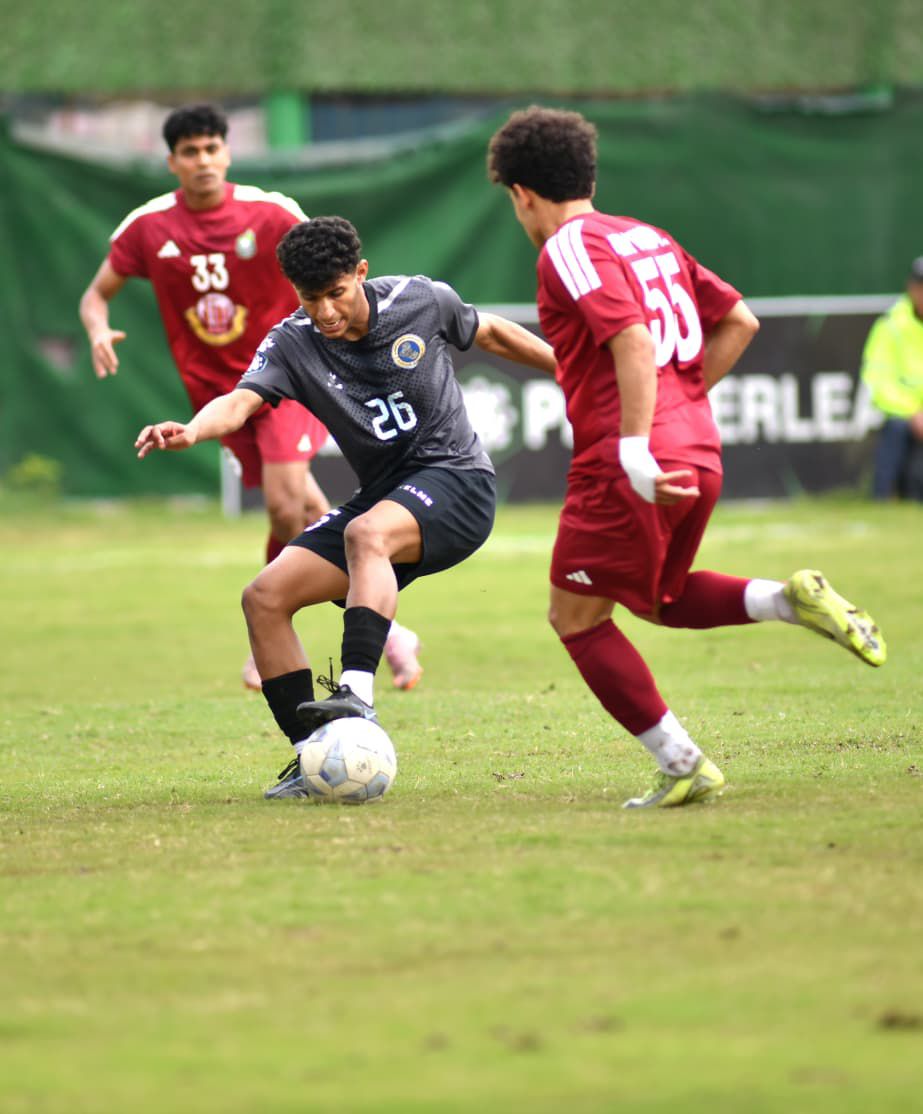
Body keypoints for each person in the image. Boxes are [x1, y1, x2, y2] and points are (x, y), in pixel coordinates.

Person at [487, 105, 887, 809]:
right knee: (661, 599)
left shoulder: (568, 246)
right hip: (697, 450)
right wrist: (680, 408)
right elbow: (739, 319)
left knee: (576, 619)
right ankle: (787, 600)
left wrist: (638, 446)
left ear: (522, 193)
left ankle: (682, 763)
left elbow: (634, 342)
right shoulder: (645, 236)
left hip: (628, 459)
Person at [134, 215, 557, 799]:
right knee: (263, 598)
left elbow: (493, 334)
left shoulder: (420, 299)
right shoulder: (292, 343)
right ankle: (313, 758)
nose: (326, 312)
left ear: (361, 273)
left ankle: (356, 693)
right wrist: (192, 431)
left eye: (336, 293)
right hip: (384, 498)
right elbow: (239, 403)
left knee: (366, 534)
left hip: (458, 483)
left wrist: (571, 371)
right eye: (312, 299)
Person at [79, 103, 423, 693]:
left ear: (228, 153)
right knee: (310, 514)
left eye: (212, 148)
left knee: (288, 500)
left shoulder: (269, 212)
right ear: (172, 161)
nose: (204, 161)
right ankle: (392, 632)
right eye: (190, 152)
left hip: (293, 373)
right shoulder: (148, 226)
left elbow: (332, 264)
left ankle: (269, 625)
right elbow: (96, 294)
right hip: (219, 398)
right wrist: (96, 328)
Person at [860, 256, 923, 501]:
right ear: (912, 288)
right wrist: (913, 414)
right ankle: (883, 497)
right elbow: (877, 380)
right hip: (906, 418)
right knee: (895, 429)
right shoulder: (890, 326)